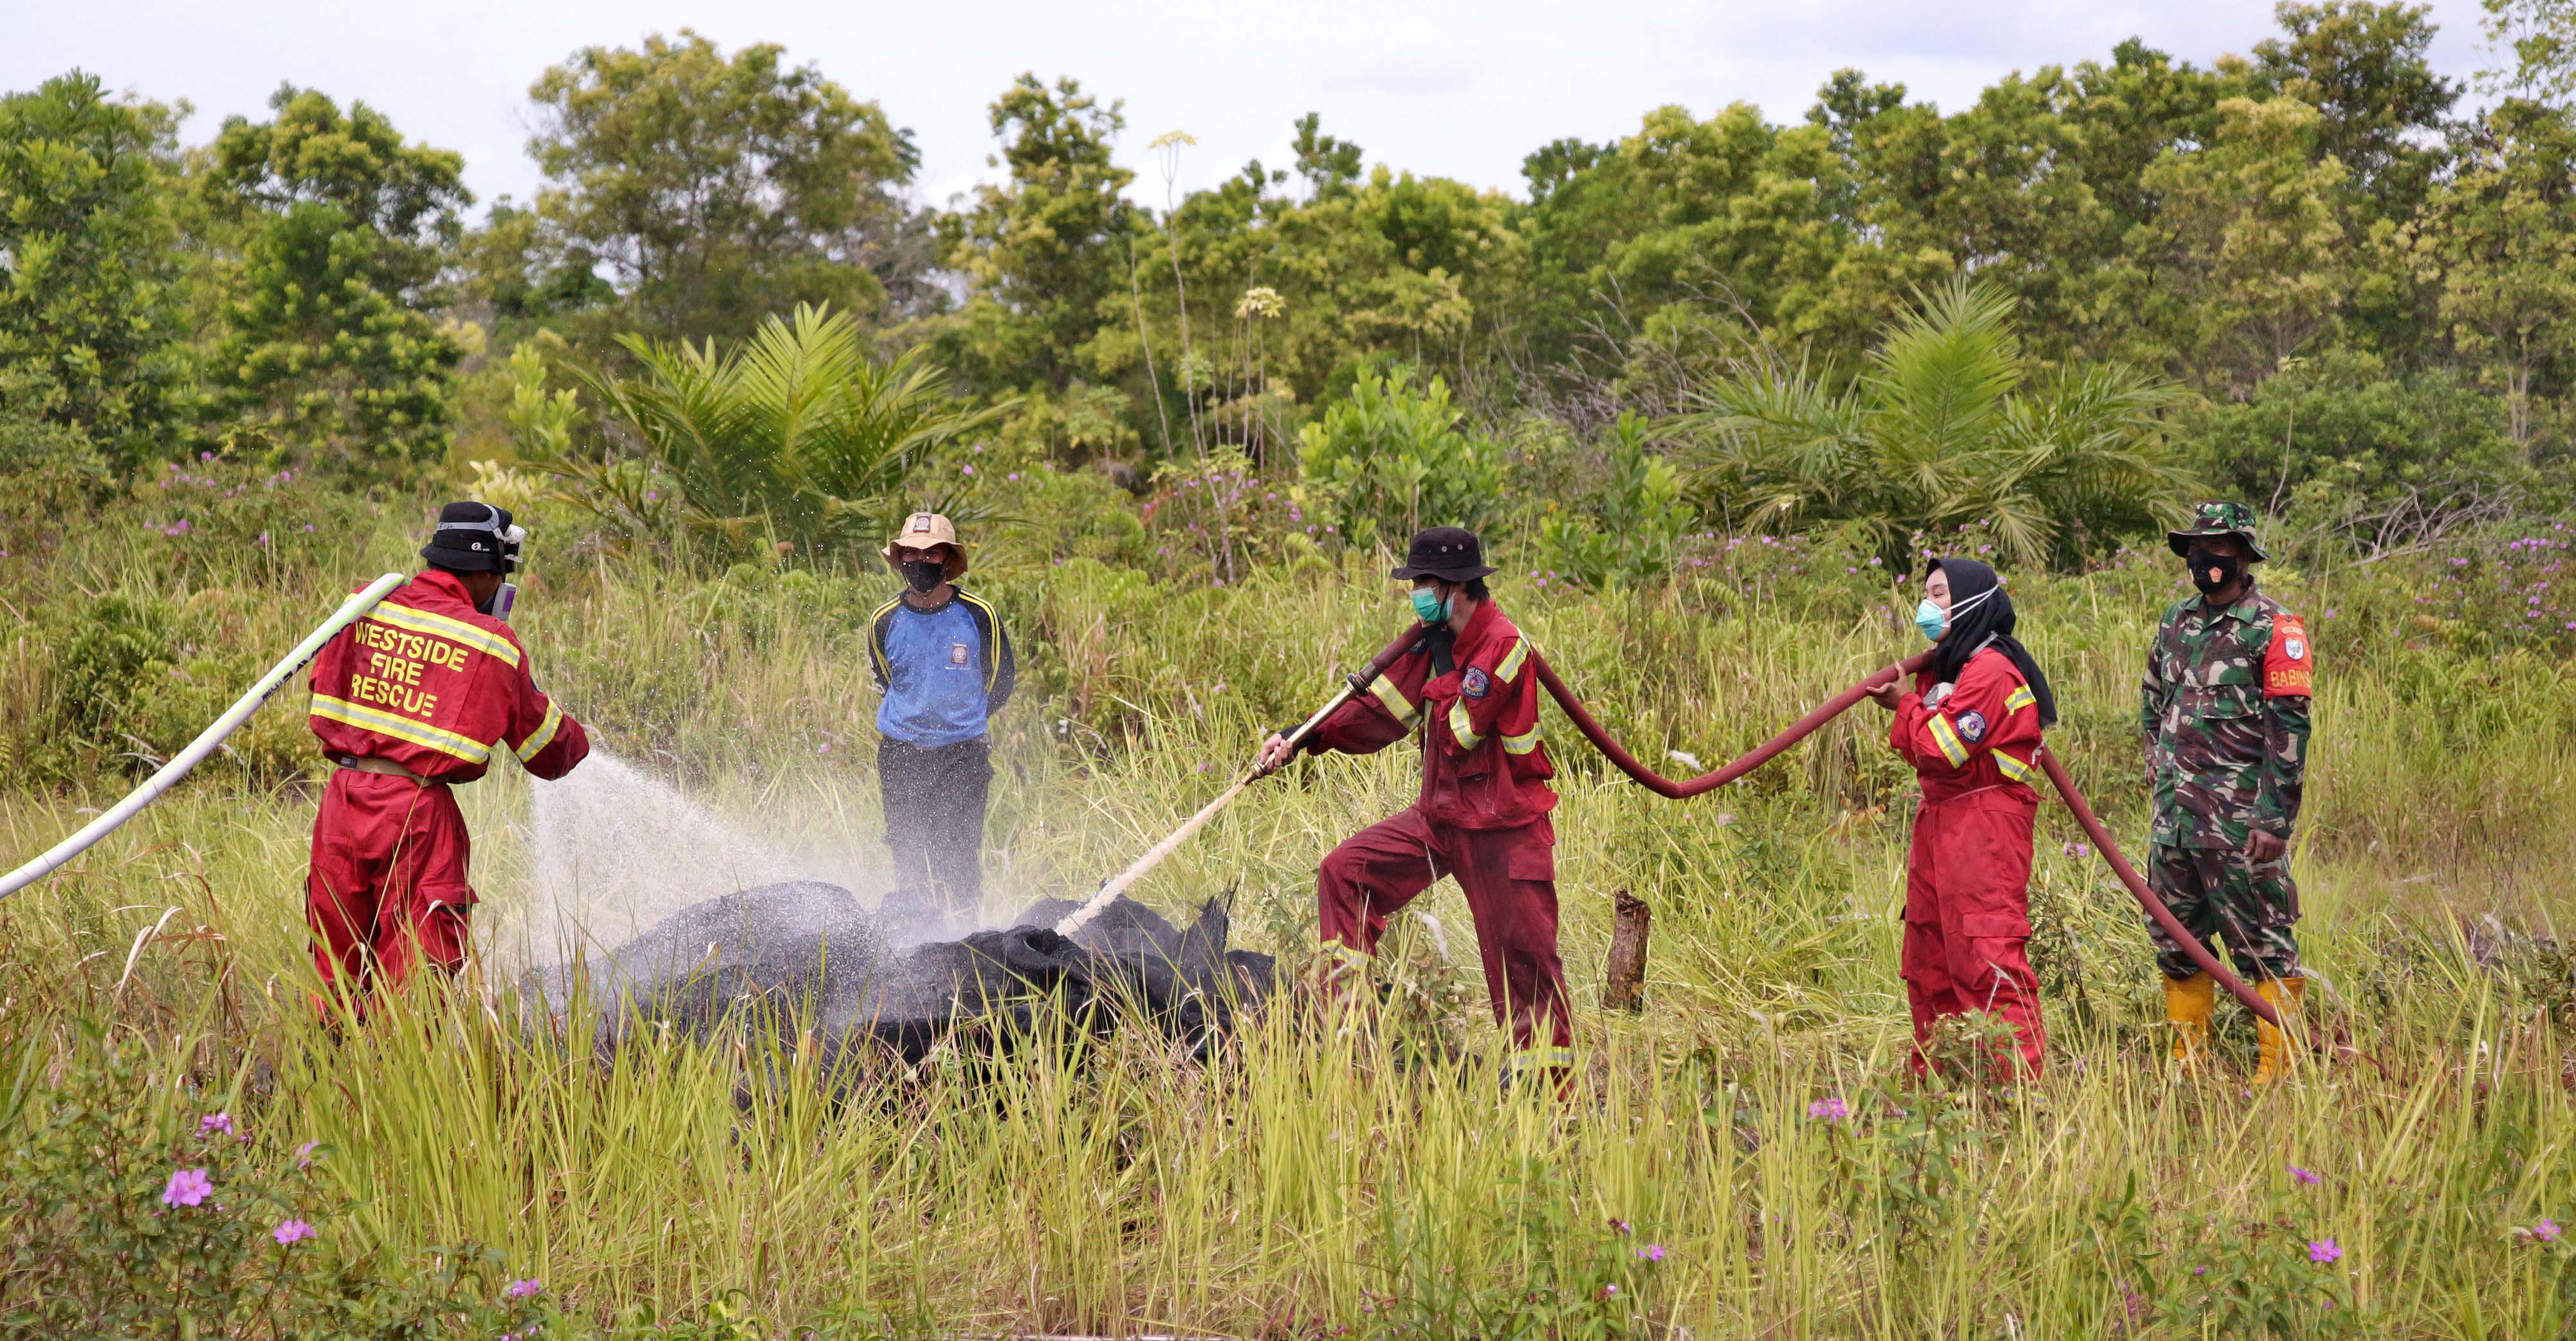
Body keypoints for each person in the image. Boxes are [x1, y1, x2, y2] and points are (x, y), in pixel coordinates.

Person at [1256, 526, 1570, 1086]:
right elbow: (1379, 715)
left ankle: (1552, 1104)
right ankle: (1351, 1040)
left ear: (1455, 586)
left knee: (1526, 970)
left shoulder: (1502, 645)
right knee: (1344, 873)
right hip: (1442, 820)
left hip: (1503, 832)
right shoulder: (1435, 640)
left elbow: (1459, 732)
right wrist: (1301, 738)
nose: (1417, 593)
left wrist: (1439, 658)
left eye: (1424, 582)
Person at [305, 502, 590, 1012]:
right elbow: (549, 752)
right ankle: (396, 1083)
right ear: (485, 571)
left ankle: (322, 1078)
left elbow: (322, 681)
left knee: (334, 965)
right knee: (417, 975)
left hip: (340, 808)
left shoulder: (364, 606)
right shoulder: (490, 642)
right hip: (416, 817)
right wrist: (580, 738)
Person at [2142, 501, 2314, 1082]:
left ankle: (2278, 1069)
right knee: (2175, 936)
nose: (2202, 559)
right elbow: (2152, 699)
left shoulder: (2275, 627)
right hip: (2176, 822)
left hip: (2241, 823)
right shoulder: (2175, 622)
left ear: (2243, 556)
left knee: (2261, 940)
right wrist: (2155, 760)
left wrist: (2274, 820)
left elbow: (2289, 729)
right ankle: (2188, 1064)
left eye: (2215, 549)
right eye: (2194, 548)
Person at [1865, 557, 2054, 1079]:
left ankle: (2014, 1099)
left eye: (1941, 593)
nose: (1929, 605)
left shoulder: (1992, 669)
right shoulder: (1955, 669)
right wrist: (1918, 696)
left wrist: (1906, 706)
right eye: (1925, 593)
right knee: (1930, 959)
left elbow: (1939, 745)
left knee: (1987, 959)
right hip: (1941, 822)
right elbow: (1927, 753)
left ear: (1975, 599)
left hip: (1985, 826)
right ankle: (1944, 1091)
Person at [867, 511, 1015, 931]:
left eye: (930, 553)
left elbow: (1002, 678)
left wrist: (963, 720)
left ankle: (965, 935)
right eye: (911, 553)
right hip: (901, 752)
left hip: (962, 755)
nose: (920, 561)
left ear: (947, 560)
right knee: (907, 847)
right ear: (900, 560)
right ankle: (916, 935)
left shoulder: (978, 615)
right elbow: (888, 678)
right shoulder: (884, 621)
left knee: (958, 849)